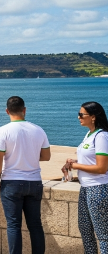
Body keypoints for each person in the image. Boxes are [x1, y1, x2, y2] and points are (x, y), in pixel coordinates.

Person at [0, 96, 51, 254]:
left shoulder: (2, 131)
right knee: (35, 225)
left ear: (7, 111)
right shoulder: (38, 129)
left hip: (11, 183)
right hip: (34, 182)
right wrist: (29, 154)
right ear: (24, 110)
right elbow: (46, 156)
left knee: (13, 225)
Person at [62, 101, 108, 254]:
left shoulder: (102, 136)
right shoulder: (89, 134)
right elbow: (91, 160)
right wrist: (74, 162)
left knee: (103, 235)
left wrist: (76, 166)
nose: (78, 117)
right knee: (85, 230)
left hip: (98, 188)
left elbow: (101, 168)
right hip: (86, 188)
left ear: (93, 117)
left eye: (81, 114)